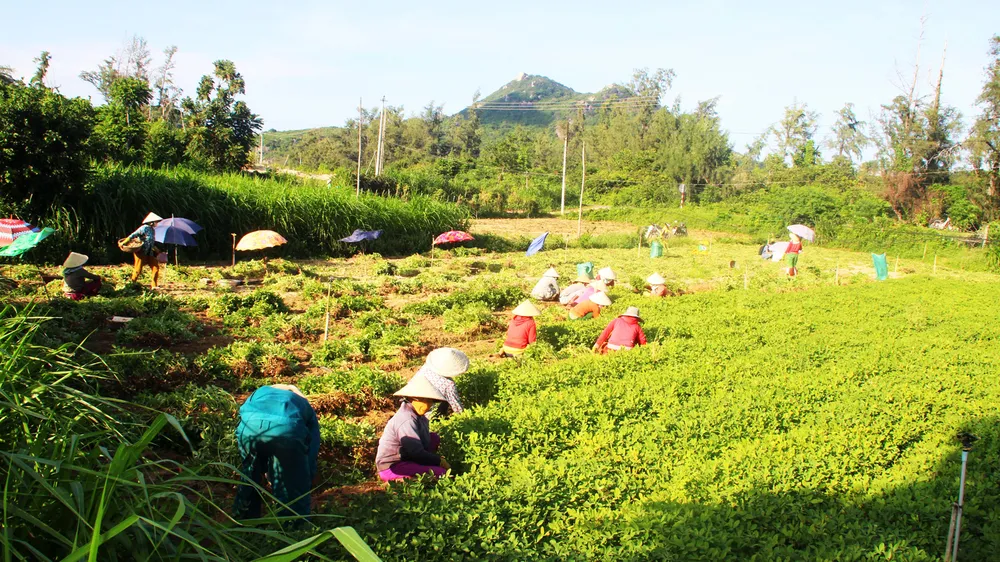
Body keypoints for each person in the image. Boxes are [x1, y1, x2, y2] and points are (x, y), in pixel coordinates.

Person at [234, 384, 320, 518]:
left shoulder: (259, 392)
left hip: (249, 429)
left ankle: (243, 520)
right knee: (293, 482)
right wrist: (306, 475)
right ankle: (292, 526)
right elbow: (311, 448)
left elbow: (244, 414)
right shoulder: (303, 403)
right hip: (286, 431)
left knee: (250, 474)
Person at [375, 375, 452, 482]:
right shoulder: (406, 420)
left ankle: (420, 467)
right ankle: (404, 479)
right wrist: (438, 461)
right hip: (393, 466)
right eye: (426, 401)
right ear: (412, 399)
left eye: (431, 402)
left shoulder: (419, 416)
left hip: (409, 458)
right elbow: (415, 452)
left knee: (434, 437)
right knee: (441, 473)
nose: (429, 405)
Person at [416, 347, 471, 417]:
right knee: (445, 402)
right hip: (428, 412)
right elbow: (456, 406)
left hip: (414, 403)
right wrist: (466, 417)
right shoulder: (449, 384)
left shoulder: (426, 368)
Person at [123, 212, 163, 288]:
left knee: (155, 268)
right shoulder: (143, 228)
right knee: (138, 270)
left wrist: (158, 250)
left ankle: (154, 285)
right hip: (141, 253)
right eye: (156, 222)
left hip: (149, 253)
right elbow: (132, 235)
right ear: (151, 222)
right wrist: (123, 243)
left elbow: (151, 242)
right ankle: (132, 284)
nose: (157, 224)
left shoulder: (152, 230)